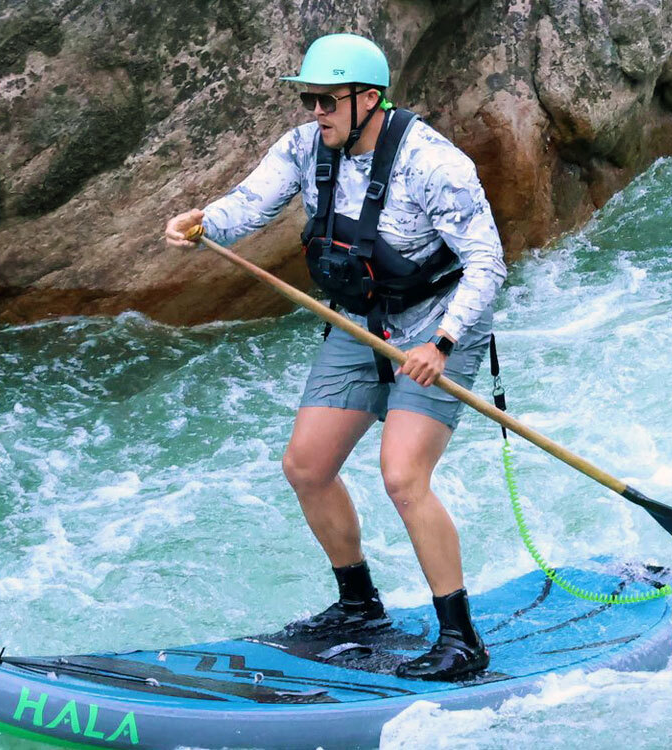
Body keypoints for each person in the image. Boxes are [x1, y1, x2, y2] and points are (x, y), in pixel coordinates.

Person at [161, 32, 508, 681]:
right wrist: (203, 219)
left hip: (438, 326)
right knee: (306, 465)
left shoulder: (436, 164)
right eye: (309, 98)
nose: (314, 111)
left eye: (325, 100)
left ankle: (461, 640)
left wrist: (441, 343)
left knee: (403, 475)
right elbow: (247, 205)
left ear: (369, 99)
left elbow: (488, 264)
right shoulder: (304, 149)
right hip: (358, 327)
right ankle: (359, 609)